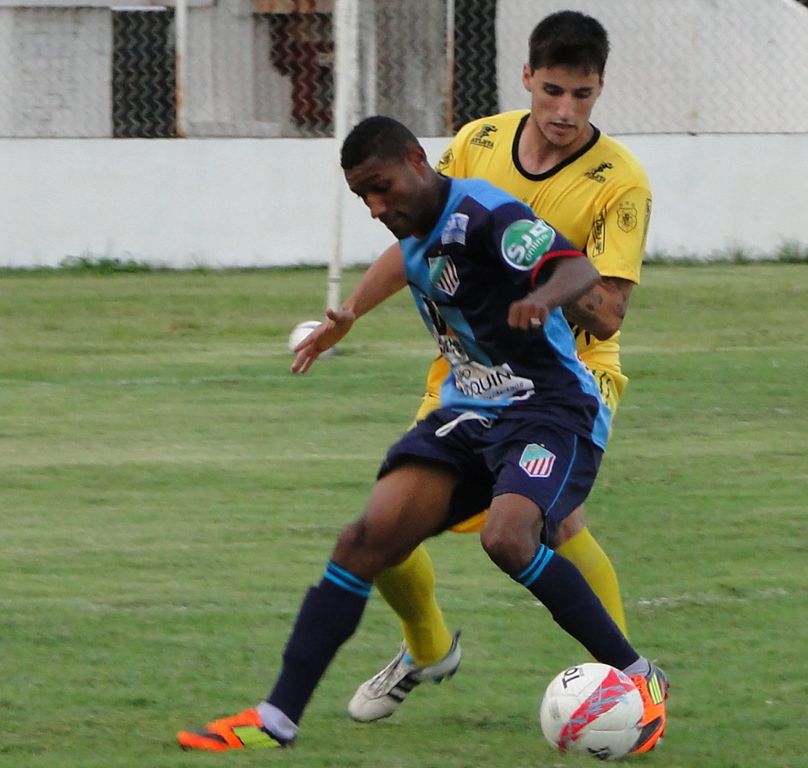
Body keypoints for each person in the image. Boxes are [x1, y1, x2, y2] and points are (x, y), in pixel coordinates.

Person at [176, 115, 668, 752]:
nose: (377, 207)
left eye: (382, 188)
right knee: (364, 540)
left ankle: (637, 677)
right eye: (363, 198)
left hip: (546, 411)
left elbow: (578, 273)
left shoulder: (487, 214)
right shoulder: (413, 226)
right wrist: (348, 314)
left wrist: (543, 298)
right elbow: (403, 260)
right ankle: (276, 719)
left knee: (509, 537)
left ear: (417, 160)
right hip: (467, 413)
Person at [305, 10, 660, 748]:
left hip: (568, 371)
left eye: (583, 96)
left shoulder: (620, 181)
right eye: (554, 90)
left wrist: (542, 271)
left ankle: (630, 687)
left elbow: (611, 312)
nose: (565, 112)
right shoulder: (478, 142)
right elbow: (419, 239)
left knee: (548, 523)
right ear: (527, 77)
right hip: (468, 367)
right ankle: (428, 648)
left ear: (600, 90)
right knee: (387, 527)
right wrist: (350, 314)